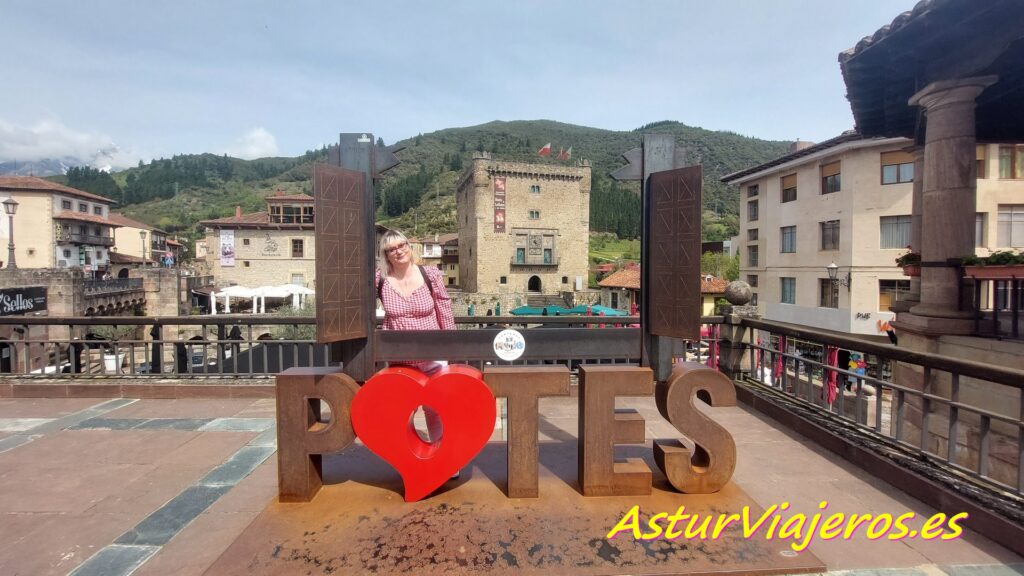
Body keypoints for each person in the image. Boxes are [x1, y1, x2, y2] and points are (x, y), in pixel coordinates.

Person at [375, 229, 456, 446]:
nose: (398, 251)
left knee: (436, 408)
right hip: (399, 357)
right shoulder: (379, 279)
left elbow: (444, 309)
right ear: (386, 254)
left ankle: (443, 458)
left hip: (432, 354)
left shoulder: (430, 274)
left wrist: (451, 345)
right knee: (402, 409)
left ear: (409, 247)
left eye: (402, 245)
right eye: (391, 249)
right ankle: (408, 458)